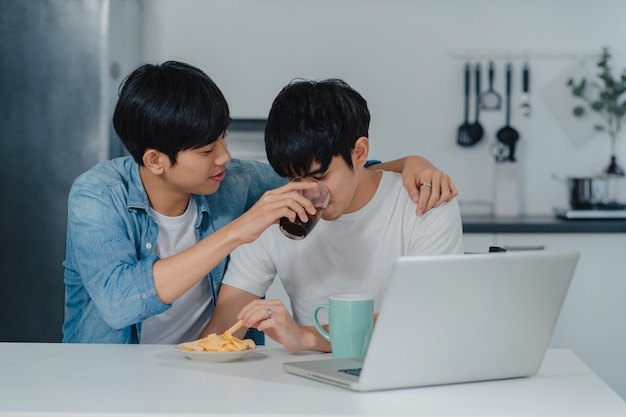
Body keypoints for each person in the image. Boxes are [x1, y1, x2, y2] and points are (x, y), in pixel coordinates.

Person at [62, 61, 457, 344]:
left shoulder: (238, 182)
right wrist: (239, 230)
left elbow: (349, 174)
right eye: (206, 150)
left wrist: (411, 163)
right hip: (110, 370)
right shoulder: (97, 196)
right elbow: (118, 304)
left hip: (210, 370)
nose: (225, 158)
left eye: (224, 138)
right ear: (155, 160)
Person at [204, 78, 464, 353]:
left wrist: (305, 337)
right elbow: (221, 329)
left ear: (359, 153)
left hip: (409, 370)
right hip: (312, 382)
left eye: (320, 177)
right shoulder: (275, 215)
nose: (307, 193)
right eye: (294, 178)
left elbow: (425, 321)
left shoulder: (424, 203)